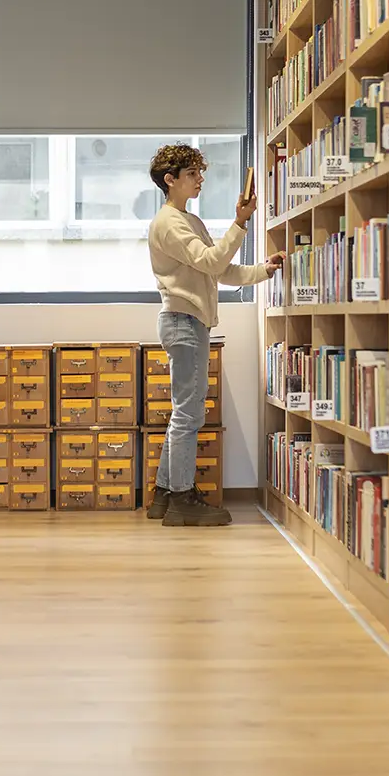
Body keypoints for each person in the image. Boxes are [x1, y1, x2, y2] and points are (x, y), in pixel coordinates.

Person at [147, 143, 284, 527]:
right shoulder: (169, 223)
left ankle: (164, 495)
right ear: (169, 180)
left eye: (199, 173)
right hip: (183, 321)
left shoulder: (190, 222)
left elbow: (220, 271)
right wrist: (240, 223)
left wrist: (263, 271)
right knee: (188, 415)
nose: (200, 179)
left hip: (190, 321)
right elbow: (212, 261)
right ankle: (181, 499)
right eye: (192, 174)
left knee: (183, 413)